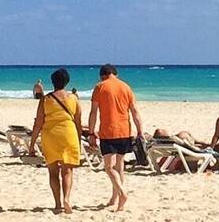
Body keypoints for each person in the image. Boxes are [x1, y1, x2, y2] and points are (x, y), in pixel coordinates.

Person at [88, 64, 143, 212]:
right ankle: (115, 198)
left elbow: (93, 112)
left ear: (103, 75)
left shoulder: (100, 87)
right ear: (115, 74)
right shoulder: (126, 87)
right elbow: (135, 111)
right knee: (119, 166)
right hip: (125, 130)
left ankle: (122, 193)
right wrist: (140, 131)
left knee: (108, 167)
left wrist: (91, 132)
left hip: (108, 131)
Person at [31, 68, 83, 214]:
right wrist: (78, 141)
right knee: (68, 171)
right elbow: (78, 122)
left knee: (53, 172)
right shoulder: (74, 99)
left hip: (50, 135)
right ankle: (67, 199)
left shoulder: (45, 100)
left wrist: (32, 144)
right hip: (69, 134)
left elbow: (38, 124)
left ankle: (58, 203)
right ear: (67, 82)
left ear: (53, 82)